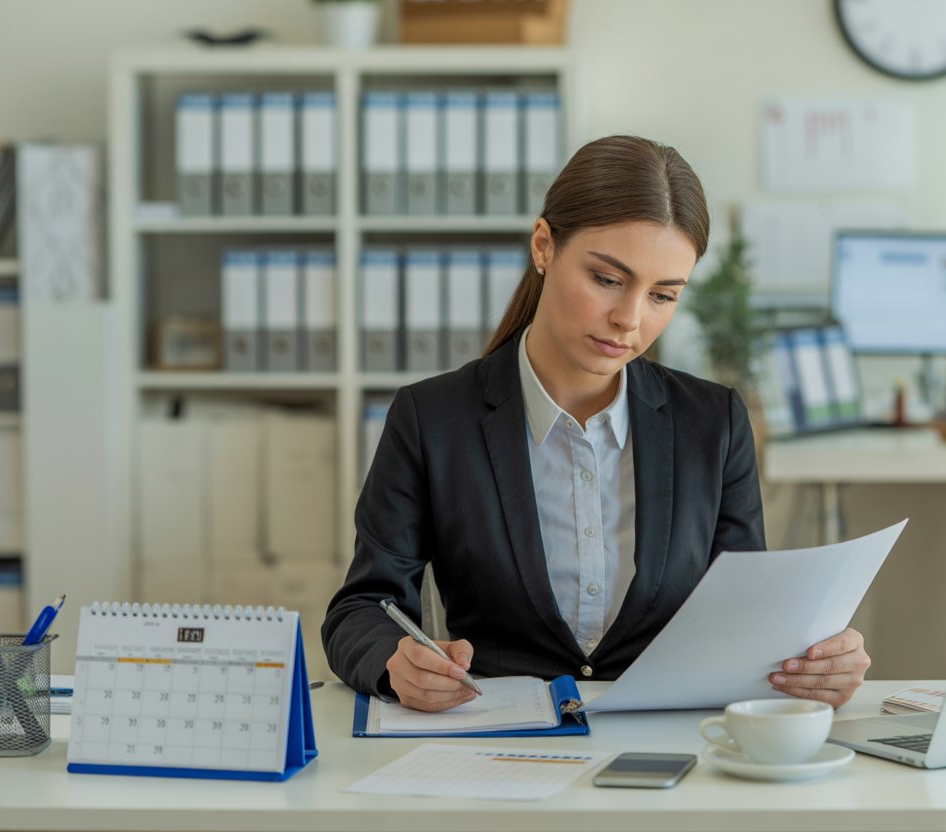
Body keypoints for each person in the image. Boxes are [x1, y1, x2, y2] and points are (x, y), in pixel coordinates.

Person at [323, 134, 871, 712]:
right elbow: (361, 609)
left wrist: (818, 664)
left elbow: (751, 621)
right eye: (607, 279)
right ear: (543, 246)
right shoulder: (432, 419)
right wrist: (394, 663)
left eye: (662, 294)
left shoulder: (714, 422)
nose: (629, 320)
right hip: (500, 749)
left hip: (672, 745)